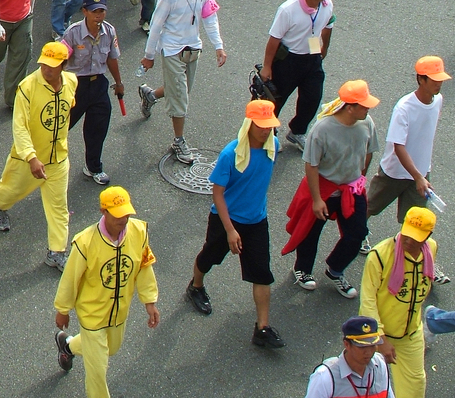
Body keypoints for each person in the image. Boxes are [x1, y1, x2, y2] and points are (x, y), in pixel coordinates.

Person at [53, 187, 159, 398]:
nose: (123, 220)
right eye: (117, 215)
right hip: (91, 316)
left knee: (109, 349)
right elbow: (70, 278)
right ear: (103, 212)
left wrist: (150, 302)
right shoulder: (85, 242)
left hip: (119, 314)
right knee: (98, 369)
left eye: (126, 214)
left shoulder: (138, 233)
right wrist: (62, 309)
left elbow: (144, 268)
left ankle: (67, 345)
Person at [187, 99, 286, 348]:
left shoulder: (272, 145)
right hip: (226, 221)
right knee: (209, 256)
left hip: (256, 221)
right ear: (249, 124)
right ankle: (196, 286)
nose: (266, 131)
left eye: (269, 126)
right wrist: (230, 230)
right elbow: (217, 193)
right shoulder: (230, 154)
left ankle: (262, 327)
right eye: (261, 126)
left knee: (262, 273)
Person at [284, 79, 380, 297]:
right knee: (311, 231)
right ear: (349, 107)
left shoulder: (367, 123)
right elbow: (311, 164)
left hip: (351, 188)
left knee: (357, 233)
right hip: (324, 187)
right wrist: (317, 199)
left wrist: (360, 177)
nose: (368, 108)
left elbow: (369, 151)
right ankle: (302, 269)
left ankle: (335, 270)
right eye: (364, 105)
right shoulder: (323, 129)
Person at [138, 0, 226, 163]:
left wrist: (218, 45)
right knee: (181, 98)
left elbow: (209, 16)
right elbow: (156, 26)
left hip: (193, 48)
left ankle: (151, 95)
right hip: (172, 50)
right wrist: (149, 55)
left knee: (179, 89)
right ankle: (178, 141)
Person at [365, 57, 449, 283]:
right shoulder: (404, 107)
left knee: (415, 224)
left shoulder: (438, 100)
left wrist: (421, 176)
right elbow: (398, 146)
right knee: (367, 208)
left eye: (440, 79)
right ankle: (356, 235)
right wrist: (418, 176)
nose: (438, 84)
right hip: (394, 173)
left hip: (419, 176)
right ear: (420, 79)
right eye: (433, 79)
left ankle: (424, 264)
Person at [0, 39, 77, 258]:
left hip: (58, 160)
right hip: (27, 160)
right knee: (9, 193)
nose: (46, 69)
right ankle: (0, 208)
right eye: (43, 64)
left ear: (64, 65)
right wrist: (31, 158)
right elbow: (19, 128)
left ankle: (56, 252)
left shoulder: (72, 82)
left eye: (52, 65)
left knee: (58, 208)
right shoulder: (27, 88)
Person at [359, 207, 435, 398]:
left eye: (416, 238)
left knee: (415, 382)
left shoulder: (430, 250)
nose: (409, 241)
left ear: (427, 237)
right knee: (363, 383)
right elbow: (368, 302)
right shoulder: (380, 256)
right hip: (377, 336)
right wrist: (380, 340)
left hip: (411, 332)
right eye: (407, 234)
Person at [278, 316, 404, 398]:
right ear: (347, 344)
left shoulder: (380, 366)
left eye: (372, 346)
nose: (368, 352)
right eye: (362, 347)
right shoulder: (326, 376)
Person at [262, 0, 335, 151]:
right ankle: (268, 132)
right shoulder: (288, 9)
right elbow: (274, 39)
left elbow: (329, 25)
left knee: (313, 97)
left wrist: (324, 47)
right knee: (276, 99)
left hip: (312, 57)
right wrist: (267, 67)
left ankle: (298, 131)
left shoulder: (327, 4)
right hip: (289, 61)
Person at [61, 0, 124, 187]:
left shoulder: (109, 31)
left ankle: (93, 167)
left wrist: (118, 82)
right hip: (75, 86)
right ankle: (43, 160)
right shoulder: (73, 33)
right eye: (94, 11)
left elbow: (112, 58)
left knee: (97, 129)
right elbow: (61, 60)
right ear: (85, 12)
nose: (99, 16)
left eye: (102, 11)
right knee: (61, 126)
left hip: (98, 85)